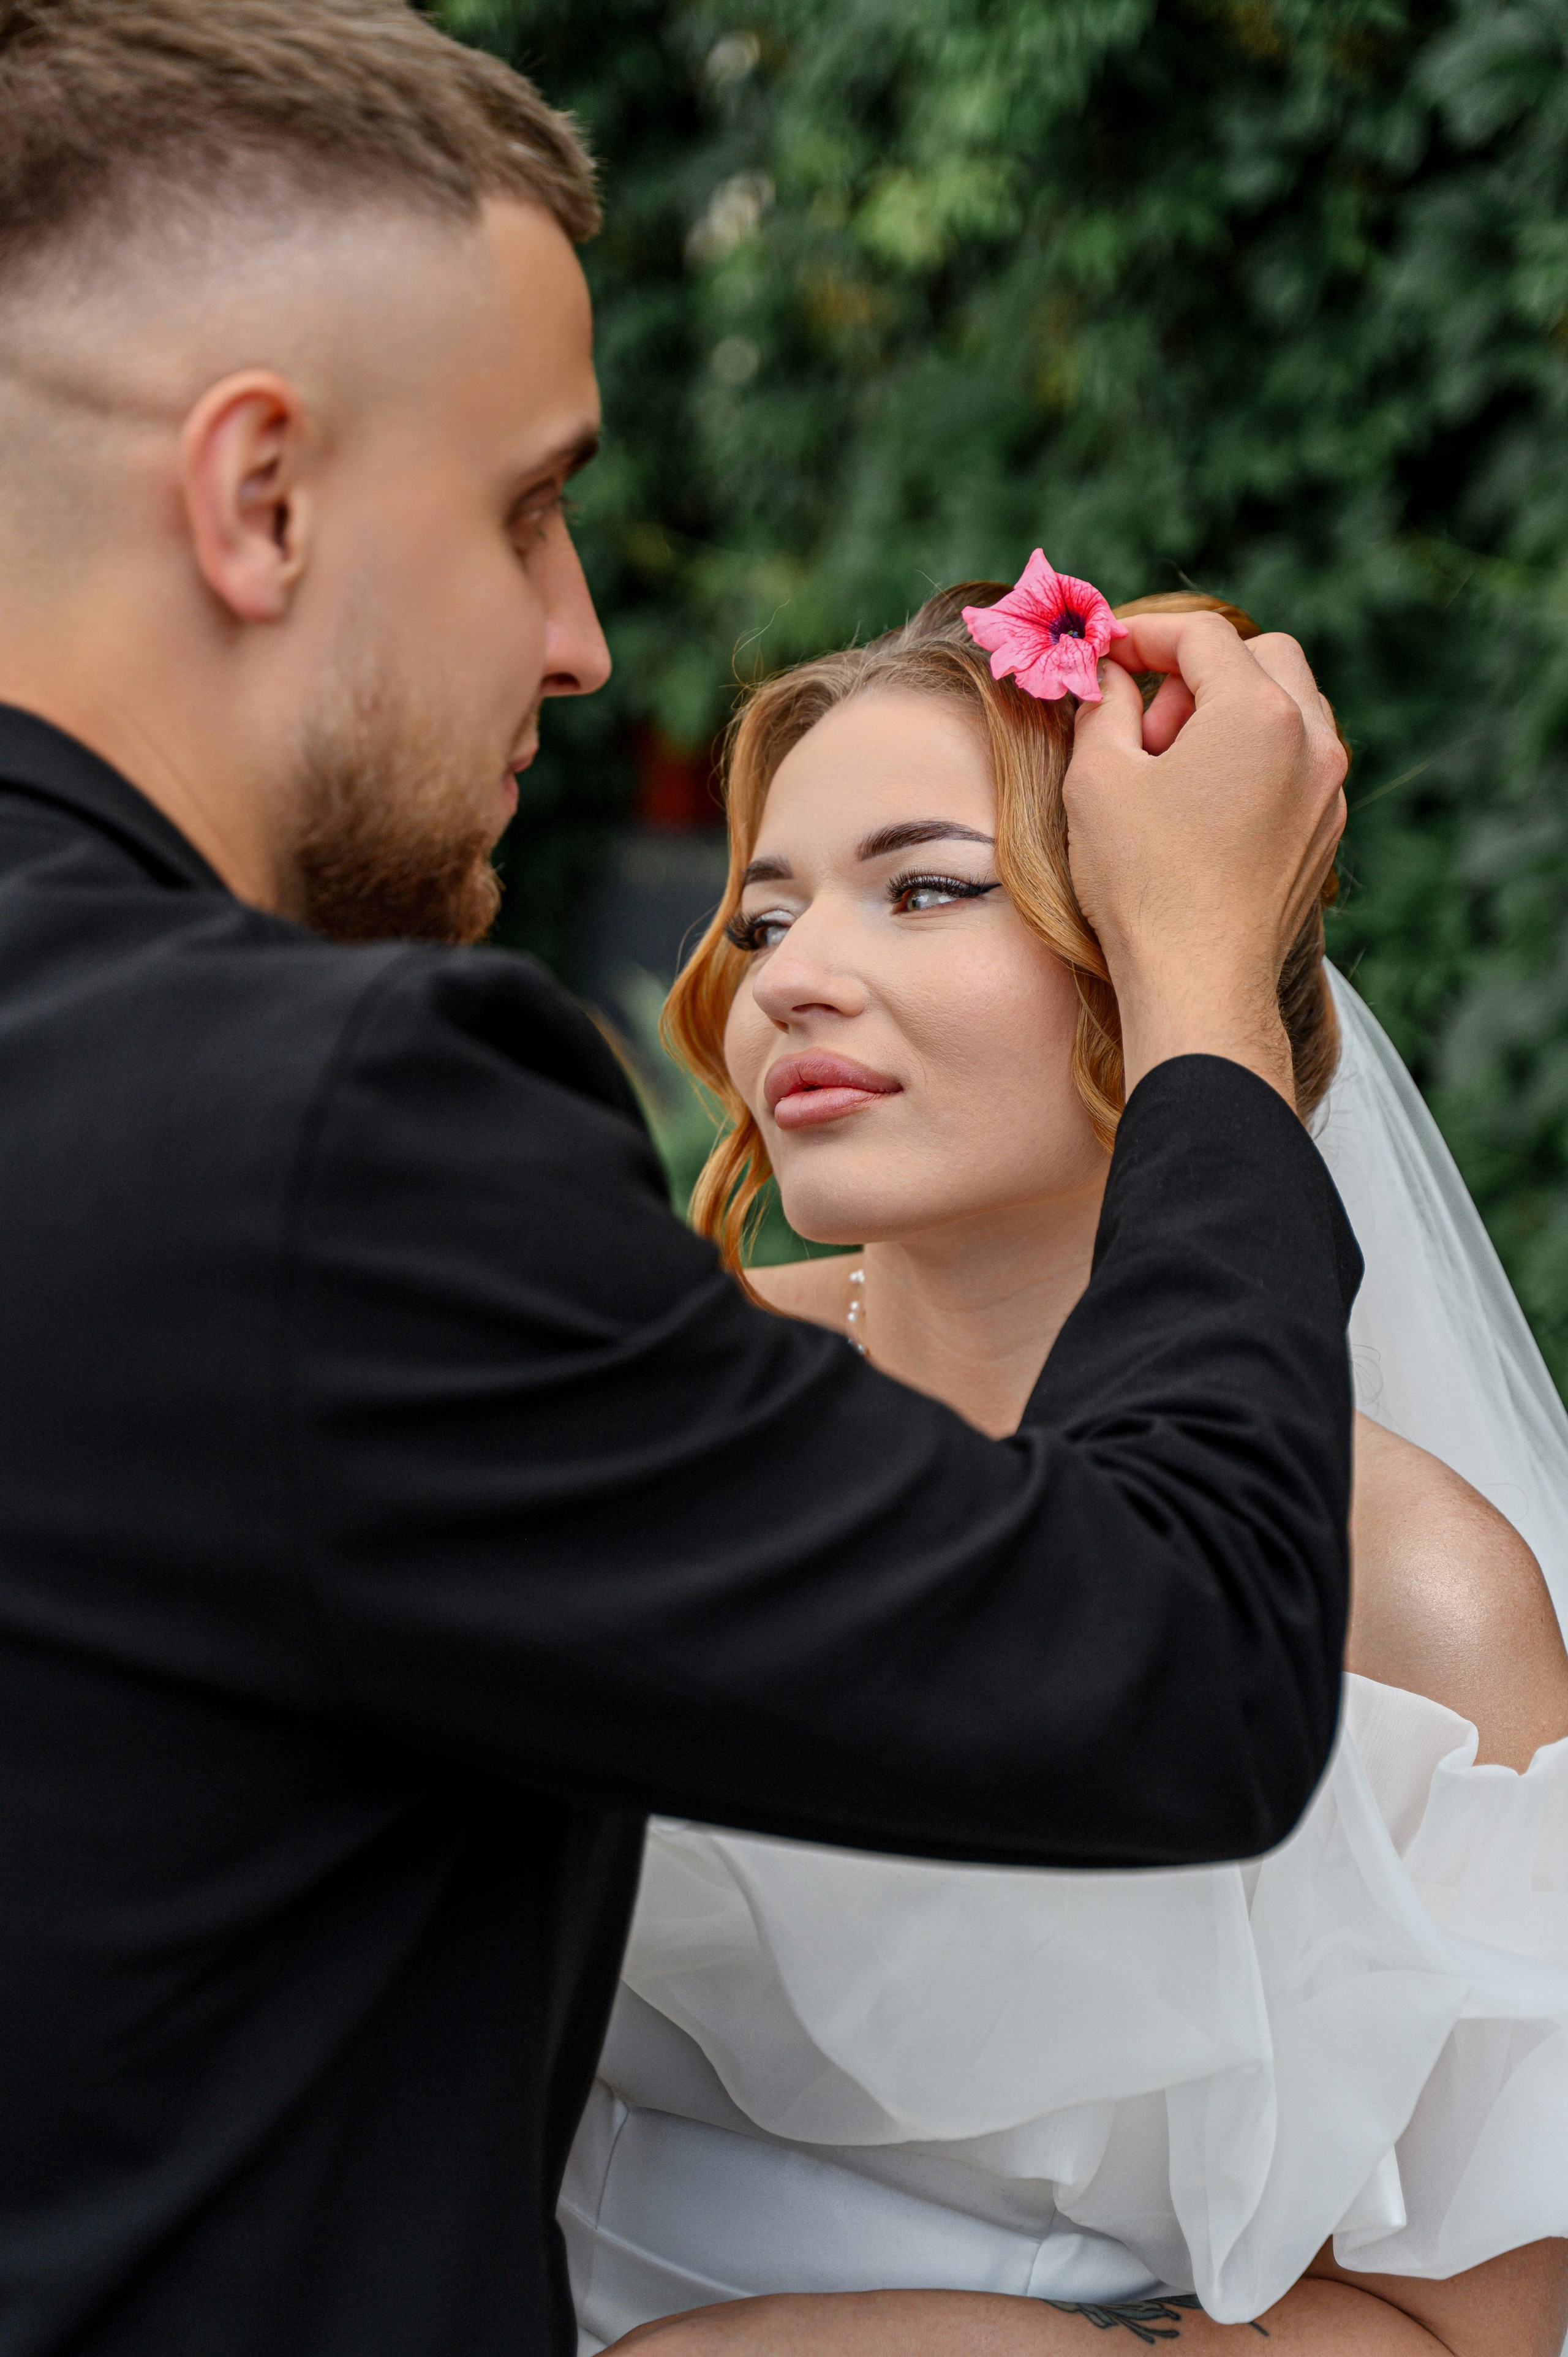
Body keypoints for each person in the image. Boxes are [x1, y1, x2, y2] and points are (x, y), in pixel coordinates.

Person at [0, 9, 1355, 2356]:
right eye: (529, 504)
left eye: (924, 887)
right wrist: (1210, 979)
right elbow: (1178, 1671)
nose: (580, 636)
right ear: (259, 499)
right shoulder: (333, 1139)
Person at [560, 587, 1568, 2357]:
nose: (788, 974)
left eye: (924, 885)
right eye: (766, 910)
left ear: (1160, 949)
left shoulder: (1412, 1593)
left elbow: (1475, 2327)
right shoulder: (645, 1387)